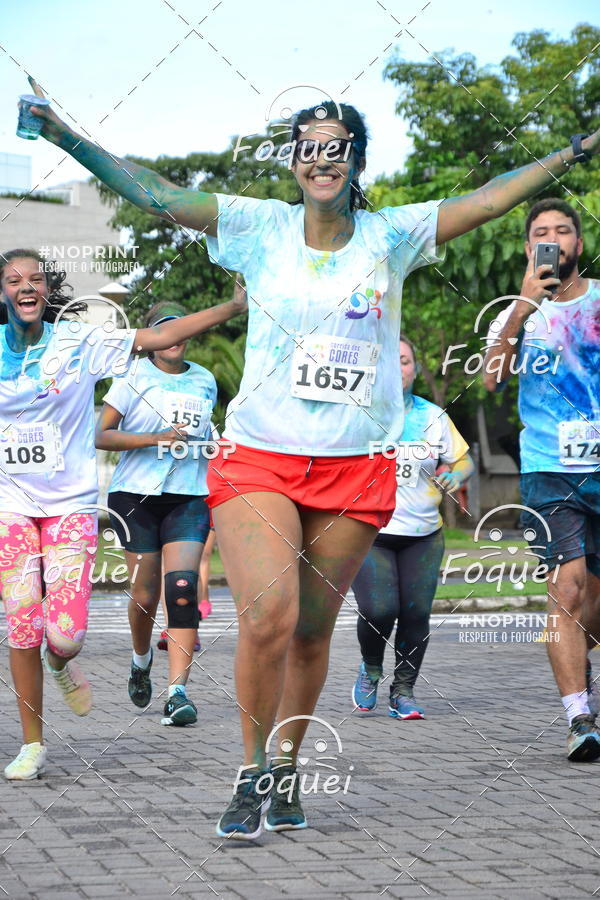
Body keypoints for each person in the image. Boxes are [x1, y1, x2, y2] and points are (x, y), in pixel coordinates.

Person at [28, 75, 600, 834]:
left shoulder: (392, 234)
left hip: (355, 466)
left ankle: (291, 763)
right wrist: (65, 135)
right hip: (261, 457)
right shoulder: (258, 226)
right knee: (269, 615)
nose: (323, 159)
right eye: (310, 148)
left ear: (355, 160)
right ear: (295, 161)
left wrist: (574, 150)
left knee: (310, 632)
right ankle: (250, 768)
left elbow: (493, 199)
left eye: (338, 148)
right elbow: (160, 194)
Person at [0, 247, 245, 780]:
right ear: (2, 292)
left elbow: (157, 337)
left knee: (64, 635)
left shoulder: (78, 343)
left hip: (67, 507)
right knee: (22, 624)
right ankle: (33, 743)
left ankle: (59, 662)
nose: (26, 287)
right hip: (9, 509)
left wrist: (232, 306)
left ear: (47, 290)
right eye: (14, 279)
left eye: (35, 279)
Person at [483, 197, 600, 761]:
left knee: (594, 603)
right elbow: (490, 380)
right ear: (529, 248)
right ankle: (579, 717)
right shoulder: (513, 311)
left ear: (578, 242)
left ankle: (586, 675)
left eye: (561, 231)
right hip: (548, 470)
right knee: (567, 589)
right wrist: (523, 310)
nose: (551, 241)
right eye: (540, 234)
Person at [96, 291, 242, 726]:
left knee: (181, 588)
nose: (173, 337)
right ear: (152, 337)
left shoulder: (205, 380)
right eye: (163, 328)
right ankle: (141, 662)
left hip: (189, 495)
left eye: (180, 327)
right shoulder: (132, 376)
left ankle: (177, 692)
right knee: (144, 596)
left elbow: (206, 436)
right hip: (135, 497)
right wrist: (154, 438)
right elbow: (101, 436)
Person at [352, 337, 473, 719]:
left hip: (423, 532)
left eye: (404, 361)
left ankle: (403, 690)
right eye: (390, 361)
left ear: (415, 370)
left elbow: (464, 461)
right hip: (370, 530)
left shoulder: (433, 416)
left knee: (416, 611)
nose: (397, 368)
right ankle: (371, 667)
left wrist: (455, 475)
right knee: (379, 608)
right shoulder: (358, 414)